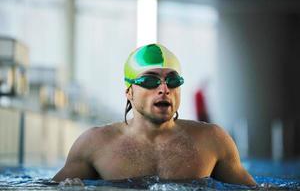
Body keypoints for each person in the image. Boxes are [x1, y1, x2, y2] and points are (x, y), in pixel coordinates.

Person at [53, 43, 256, 186]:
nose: (164, 89)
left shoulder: (212, 140)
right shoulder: (95, 144)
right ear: (129, 91)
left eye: (173, 81)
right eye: (150, 81)